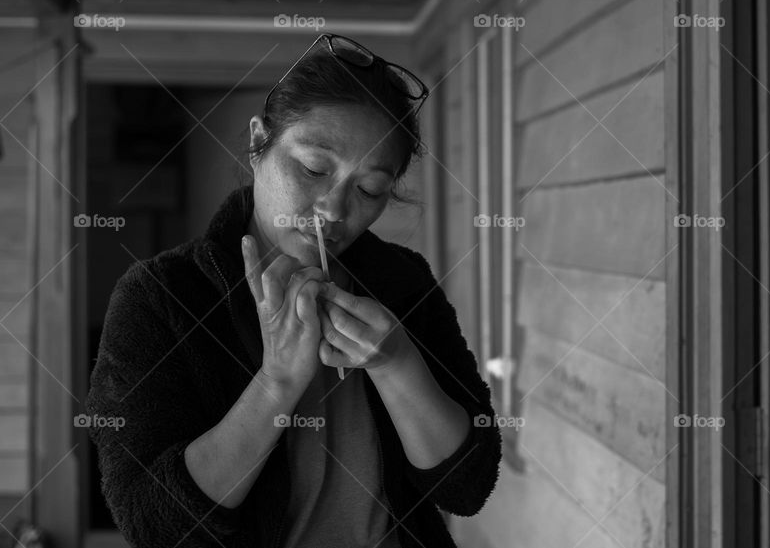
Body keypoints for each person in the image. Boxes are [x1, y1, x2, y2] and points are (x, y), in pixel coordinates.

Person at [85, 33, 502, 548]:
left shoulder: (401, 280)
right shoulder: (162, 296)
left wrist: (397, 363)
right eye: (313, 168)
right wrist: (277, 382)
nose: (333, 208)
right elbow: (154, 526)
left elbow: (468, 487)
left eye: (370, 189)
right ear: (260, 141)